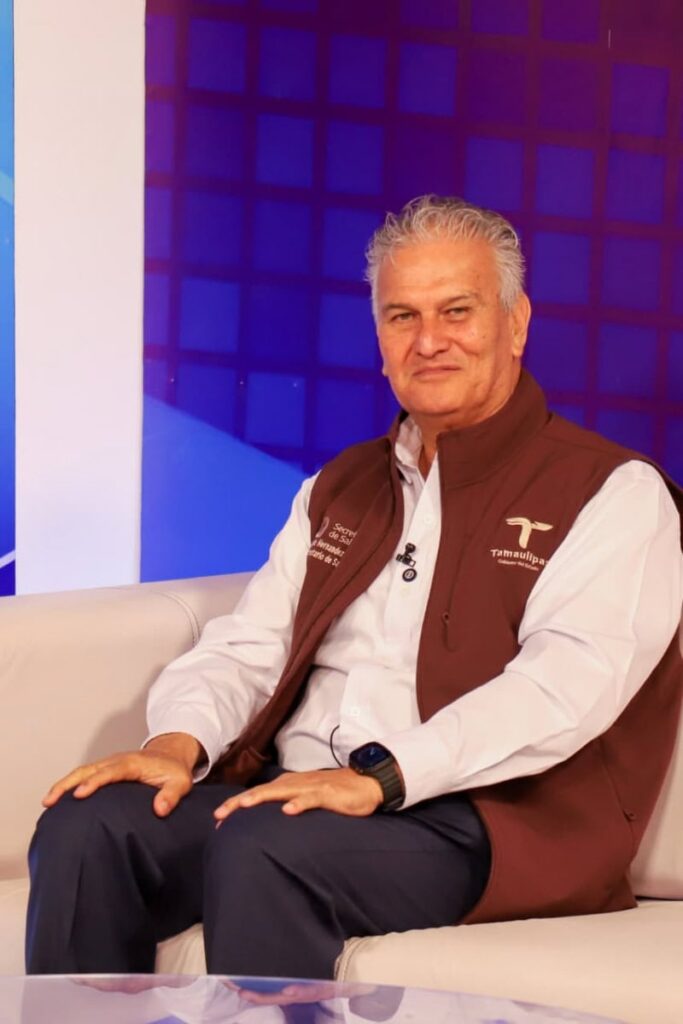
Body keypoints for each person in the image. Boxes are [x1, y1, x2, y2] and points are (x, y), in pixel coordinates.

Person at [26, 196, 683, 980]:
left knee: (267, 847)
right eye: (402, 316)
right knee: (88, 825)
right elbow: (251, 646)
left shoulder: (612, 491)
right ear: (379, 340)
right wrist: (176, 744)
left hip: (482, 825)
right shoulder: (340, 485)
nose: (428, 340)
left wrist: (380, 776)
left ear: (514, 324)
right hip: (300, 801)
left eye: (457, 311)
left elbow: (562, 690)